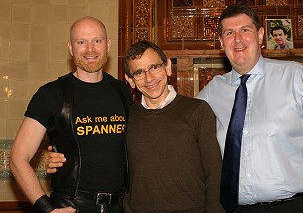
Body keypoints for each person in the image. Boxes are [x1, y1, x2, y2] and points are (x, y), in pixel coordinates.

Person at [196, 4, 303, 213]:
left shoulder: (295, 77)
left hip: (298, 206)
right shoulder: (212, 92)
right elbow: (180, 122)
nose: (238, 39)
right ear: (221, 43)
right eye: (229, 33)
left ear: (260, 36)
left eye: (245, 30)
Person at [46, 40, 225, 213]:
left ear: (168, 67)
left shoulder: (197, 110)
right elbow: (100, 148)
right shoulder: (127, 116)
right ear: (130, 80)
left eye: (154, 67)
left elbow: (214, 171)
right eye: (139, 72)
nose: (149, 78)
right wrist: (59, 157)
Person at [10, 16, 132, 213]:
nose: (90, 49)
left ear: (108, 45)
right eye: (81, 42)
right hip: (71, 207)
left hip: (120, 206)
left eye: (97, 41)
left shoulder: (123, 92)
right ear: (70, 48)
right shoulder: (50, 94)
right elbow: (18, 158)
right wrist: (47, 209)